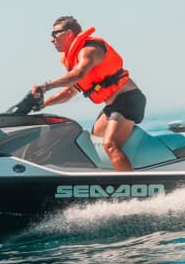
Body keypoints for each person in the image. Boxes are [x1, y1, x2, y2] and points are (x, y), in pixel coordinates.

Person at [31, 16, 146, 171]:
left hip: (128, 99)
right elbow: (71, 91)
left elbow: (79, 74)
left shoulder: (90, 50)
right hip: (113, 105)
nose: (51, 39)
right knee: (94, 143)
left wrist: (46, 86)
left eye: (54, 34)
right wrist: (44, 103)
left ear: (69, 33)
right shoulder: (73, 58)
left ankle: (130, 186)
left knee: (110, 144)